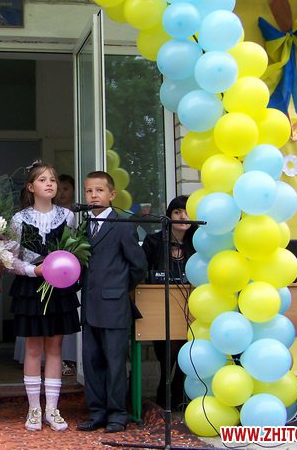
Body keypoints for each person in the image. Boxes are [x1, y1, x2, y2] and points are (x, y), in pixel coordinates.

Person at [10, 163, 79, 431]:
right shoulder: (19, 219)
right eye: (42, 180)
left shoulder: (68, 216)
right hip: (31, 288)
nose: (49, 184)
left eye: (52, 180)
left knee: (55, 347)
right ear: (31, 187)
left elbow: (73, 252)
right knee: (33, 347)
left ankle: (52, 408)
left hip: (58, 289)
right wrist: (33, 270)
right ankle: (34, 409)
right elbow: (8, 257)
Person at [77, 171, 147, 434]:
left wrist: (118, 289)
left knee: (115, 362)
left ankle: (118, 413)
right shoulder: (84, 227)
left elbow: (138, 266)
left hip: (114, 306)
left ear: (112, 194)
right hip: (90, 306)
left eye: (99, 190)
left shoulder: (122, 225)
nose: (93, 196)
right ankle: (97, 412)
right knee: (92, 361)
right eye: (89, 191)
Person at [141, 195, 196, 410]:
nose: (183, 217)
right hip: (161, 306)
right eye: (177, 212)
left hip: (192, 307)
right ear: (169, 216)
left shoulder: (198, 243)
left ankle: (179, 390)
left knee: (188, 350)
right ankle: (165, 391)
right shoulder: (154, 241)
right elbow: (143, 271)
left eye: (187, 212)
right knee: (168, 353)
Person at [52, 173, 78, 376]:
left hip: (68, 273)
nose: (61, 193)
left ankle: (71, 359)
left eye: (66, 189)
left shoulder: (73, 216)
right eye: (59, 188)